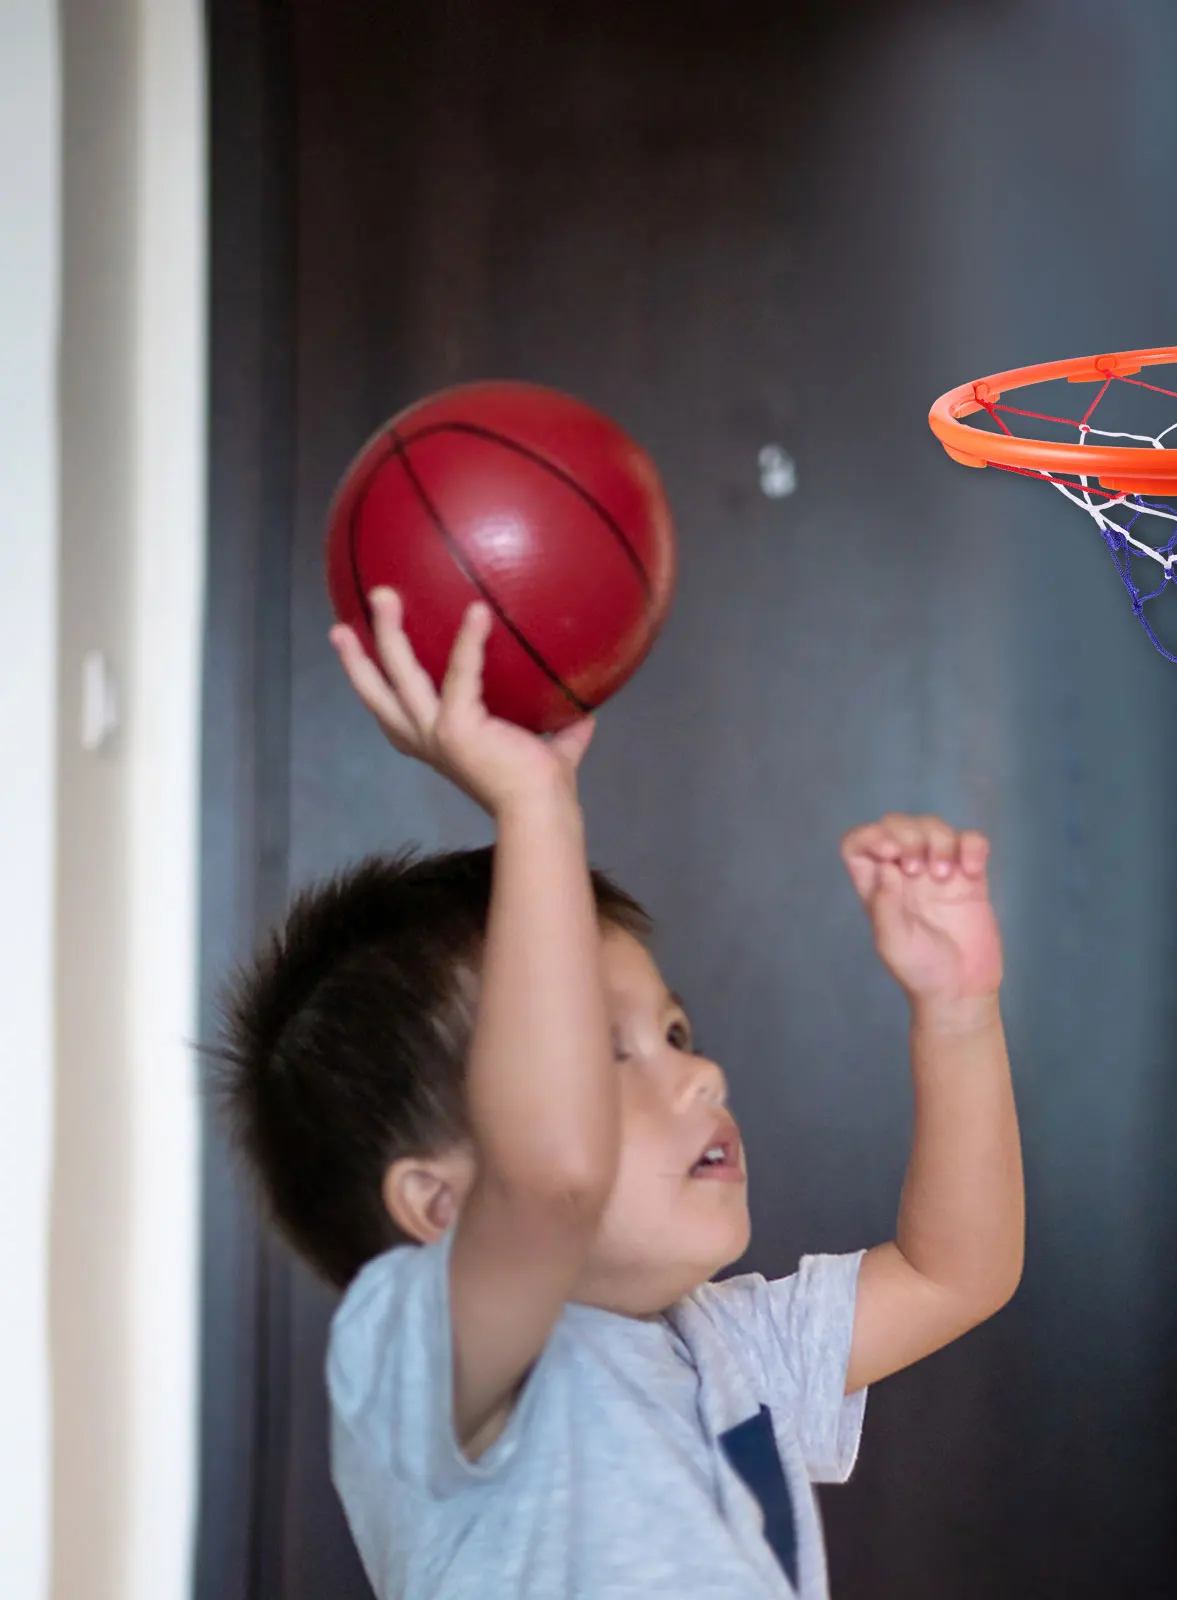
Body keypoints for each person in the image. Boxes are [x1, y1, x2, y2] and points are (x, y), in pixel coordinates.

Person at [213, 586, 1025, 1598]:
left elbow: (958, 1273)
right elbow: (550, 1179)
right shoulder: (421, 1367)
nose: (701, 1072)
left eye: (674, 1033)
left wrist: (957, 1011)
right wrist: (535, 806)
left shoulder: (725, 1348)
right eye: (607, 1055)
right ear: (440, 1205)